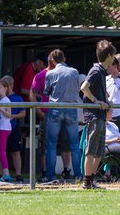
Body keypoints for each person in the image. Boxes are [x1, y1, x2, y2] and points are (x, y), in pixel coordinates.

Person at [30, 54, 72, 179]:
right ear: (53, 61)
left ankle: (66, 171)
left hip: (62, 112)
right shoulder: (40, 75)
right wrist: (39, 111)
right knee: (45, 144)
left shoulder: (65, 74)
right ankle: (45, 172)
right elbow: (32, 93)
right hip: (47, 114)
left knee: (65, 142)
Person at [81, 40, 116, 189]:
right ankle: (86, 182)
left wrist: (106, 101)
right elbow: (84, 88)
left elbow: (97, 90)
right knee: (91, 151)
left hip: (100, 115)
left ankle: (91, 180)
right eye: (113, 55)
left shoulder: (102, 72)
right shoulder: (95, 71)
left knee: (99, 152)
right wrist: (96, 101)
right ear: (109, 56)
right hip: (93, 116)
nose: (114, 58)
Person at [43, 49, 82, 182]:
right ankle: (78, 175)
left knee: (51, 144)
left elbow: (46, 92)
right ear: (64, 58)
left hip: (55, 109)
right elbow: (77, 89)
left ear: (53, 61)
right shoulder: (74, 72)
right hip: (71, 108)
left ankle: (50, 175)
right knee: (75, 145)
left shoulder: (50, 73)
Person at [2, 75, 26, 182]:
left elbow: (23, 113)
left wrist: (12, 116)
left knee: (16, 151)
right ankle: (1, 172)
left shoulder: (18, 98)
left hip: (14, 127)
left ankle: (18, 174)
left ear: (10, 85)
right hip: (1, 128)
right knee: (1, 151)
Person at [0, 78, 12, 182]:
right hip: (0, 127)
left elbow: (9, 115)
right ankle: (4, 173)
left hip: (4, 128)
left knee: (1, 151)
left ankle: (6, 174)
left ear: (6, 88)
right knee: (0, 151)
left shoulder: (6, 100)